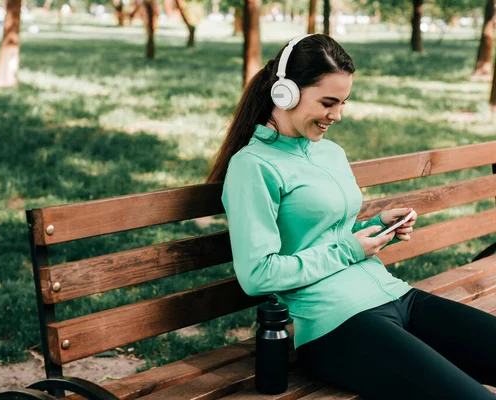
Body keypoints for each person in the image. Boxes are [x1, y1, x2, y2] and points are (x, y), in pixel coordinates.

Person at [206, 34, 496, 399]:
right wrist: (349, 249)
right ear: (286, 93)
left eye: (342, 103)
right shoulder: (253, 167)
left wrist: (377, 227)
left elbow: (328, 235)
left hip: (398, 296)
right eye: (328, 102)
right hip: (336, 324)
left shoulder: (329, 153)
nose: (337, 115)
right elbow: (257, 274)